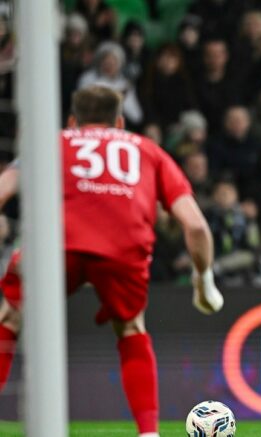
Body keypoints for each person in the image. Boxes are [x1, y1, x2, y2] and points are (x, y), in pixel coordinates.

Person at [0, 86, 223, 437]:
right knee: (131, 327)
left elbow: (3, 189)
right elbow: (195, 225)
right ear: (119, 122)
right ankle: (148, 433)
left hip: (55, 245)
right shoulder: (148, 150)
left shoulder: (50, 143)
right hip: (123, 249)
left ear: (72, 121)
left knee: (10, 318)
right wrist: (203, 280)